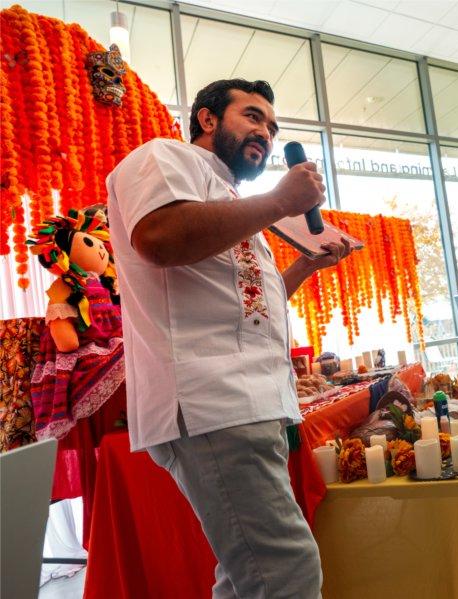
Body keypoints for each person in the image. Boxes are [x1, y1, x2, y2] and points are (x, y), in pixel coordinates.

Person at [107, 79, 353, 598]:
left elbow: (254, 309)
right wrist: (280, 201)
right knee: (288, 571)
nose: (265, 131)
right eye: (253, 116)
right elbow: (159, 238)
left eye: (272, 125)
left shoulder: (228, 201)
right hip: (211, 401)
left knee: (248, 578)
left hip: (249, 403)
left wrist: (306, 264)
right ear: (207, 119)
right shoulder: (163, 157)